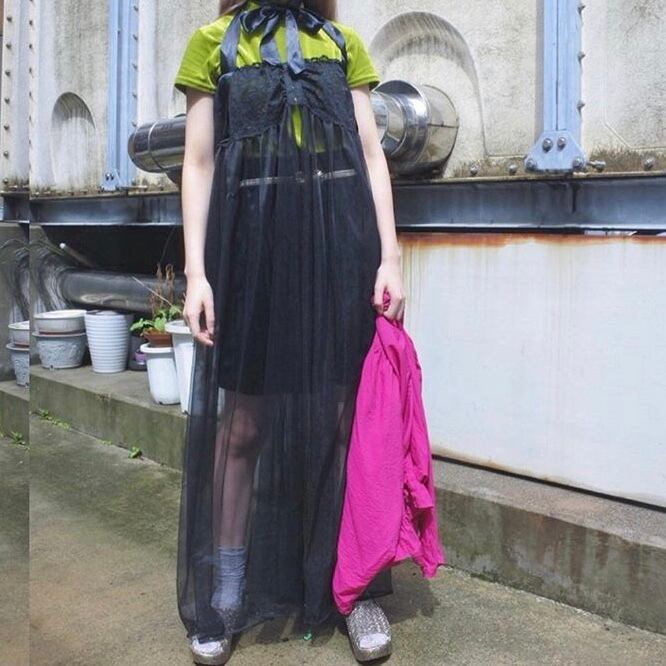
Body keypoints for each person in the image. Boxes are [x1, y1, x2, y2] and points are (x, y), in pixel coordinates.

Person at [174, 1, 405, 663]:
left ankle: (353, 588)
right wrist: (197, 273)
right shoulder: (212, 43)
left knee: (341, 422)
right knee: (244, 426)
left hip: (339, 248)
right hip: (252, 250)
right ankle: (227, 591)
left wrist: (390, 257)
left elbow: (371, 155)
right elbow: (198, 162)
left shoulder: (342, 44)